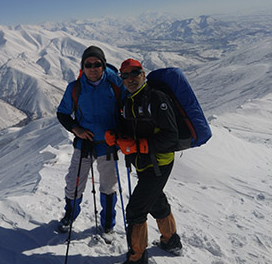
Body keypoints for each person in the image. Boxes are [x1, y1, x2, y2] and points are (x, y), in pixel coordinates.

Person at [105, 58, 183, 263]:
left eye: (135, 73)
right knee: (156, 201)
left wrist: (139, 146)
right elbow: (129, 128)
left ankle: (137, 258)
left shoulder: (157, 99)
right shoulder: (128, 100)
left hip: (159, 163)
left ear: (143, 74)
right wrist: (116, 136)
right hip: (144, 162)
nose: (130, 79)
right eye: (125, 75)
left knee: (135, 211)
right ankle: (171, 241)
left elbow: (171, 137)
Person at [56, 45, 125, 242]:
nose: (93, 68)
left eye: (97, 64)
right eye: (88, 64)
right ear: (83, 66)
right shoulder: (75, 88)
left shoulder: (115, 85)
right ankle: (70, 216)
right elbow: (62, 113)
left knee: (109, 187)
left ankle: (107, 225)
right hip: (84, 144)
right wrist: (75, 129)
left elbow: (127, 110)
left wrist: (120, 132)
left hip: (108, 145)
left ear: (103, 65)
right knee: (73, 184)